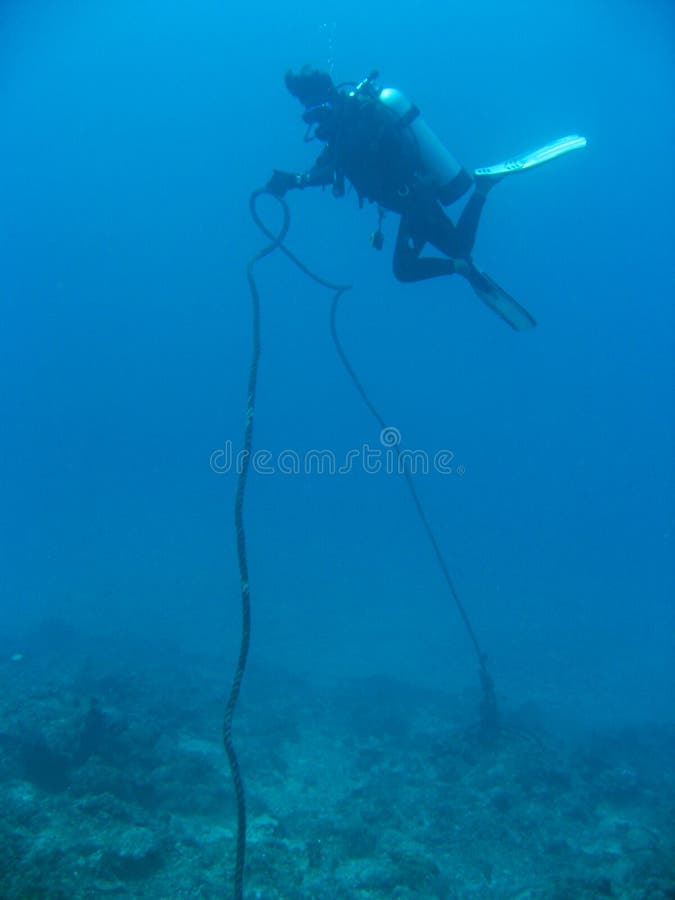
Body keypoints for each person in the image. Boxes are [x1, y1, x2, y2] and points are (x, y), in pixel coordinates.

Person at [266, 66, 587, 330]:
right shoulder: (347, 124)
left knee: (410, 267)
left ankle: (476, 213)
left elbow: (336, 165)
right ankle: (474, 224)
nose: (312, 120)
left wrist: (298, 180)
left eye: (312, 110)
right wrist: (294, 181)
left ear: (324, 98)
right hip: (415, 197)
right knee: (452, 249)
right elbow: (329, 166)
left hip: (414, 198)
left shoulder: (352, 124)